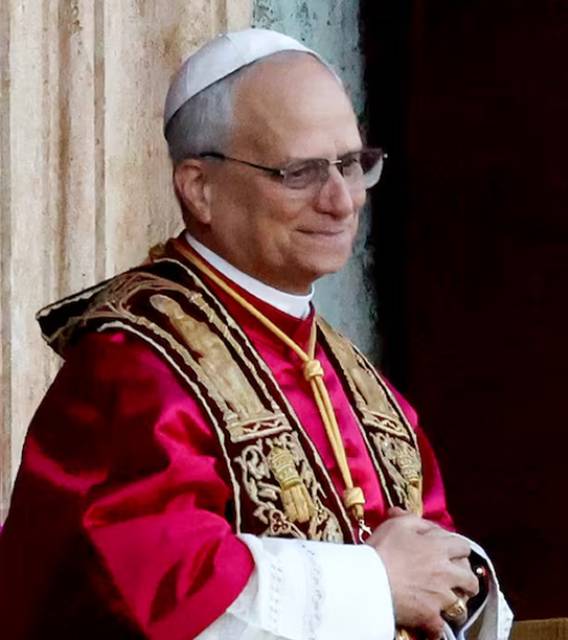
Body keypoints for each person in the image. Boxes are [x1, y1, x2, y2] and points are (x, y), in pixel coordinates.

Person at [0, 28, 512, 640]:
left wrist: (458, 586)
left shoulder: (362, 386)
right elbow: (150, 595)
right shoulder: (135, 367)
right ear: (200, 188)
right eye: (300, 173)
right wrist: (374, 583)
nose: (341, 201)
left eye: (351, 165)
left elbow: (433, 559)